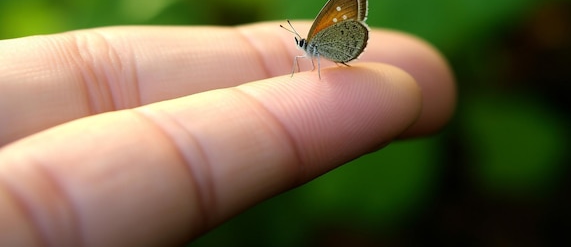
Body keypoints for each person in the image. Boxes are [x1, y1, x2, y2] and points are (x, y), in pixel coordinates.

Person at [0, 22, 456, 246]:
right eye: (298, 42)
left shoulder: (316, 45)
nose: (297, 45)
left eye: (299, 42)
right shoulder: (307, 50)